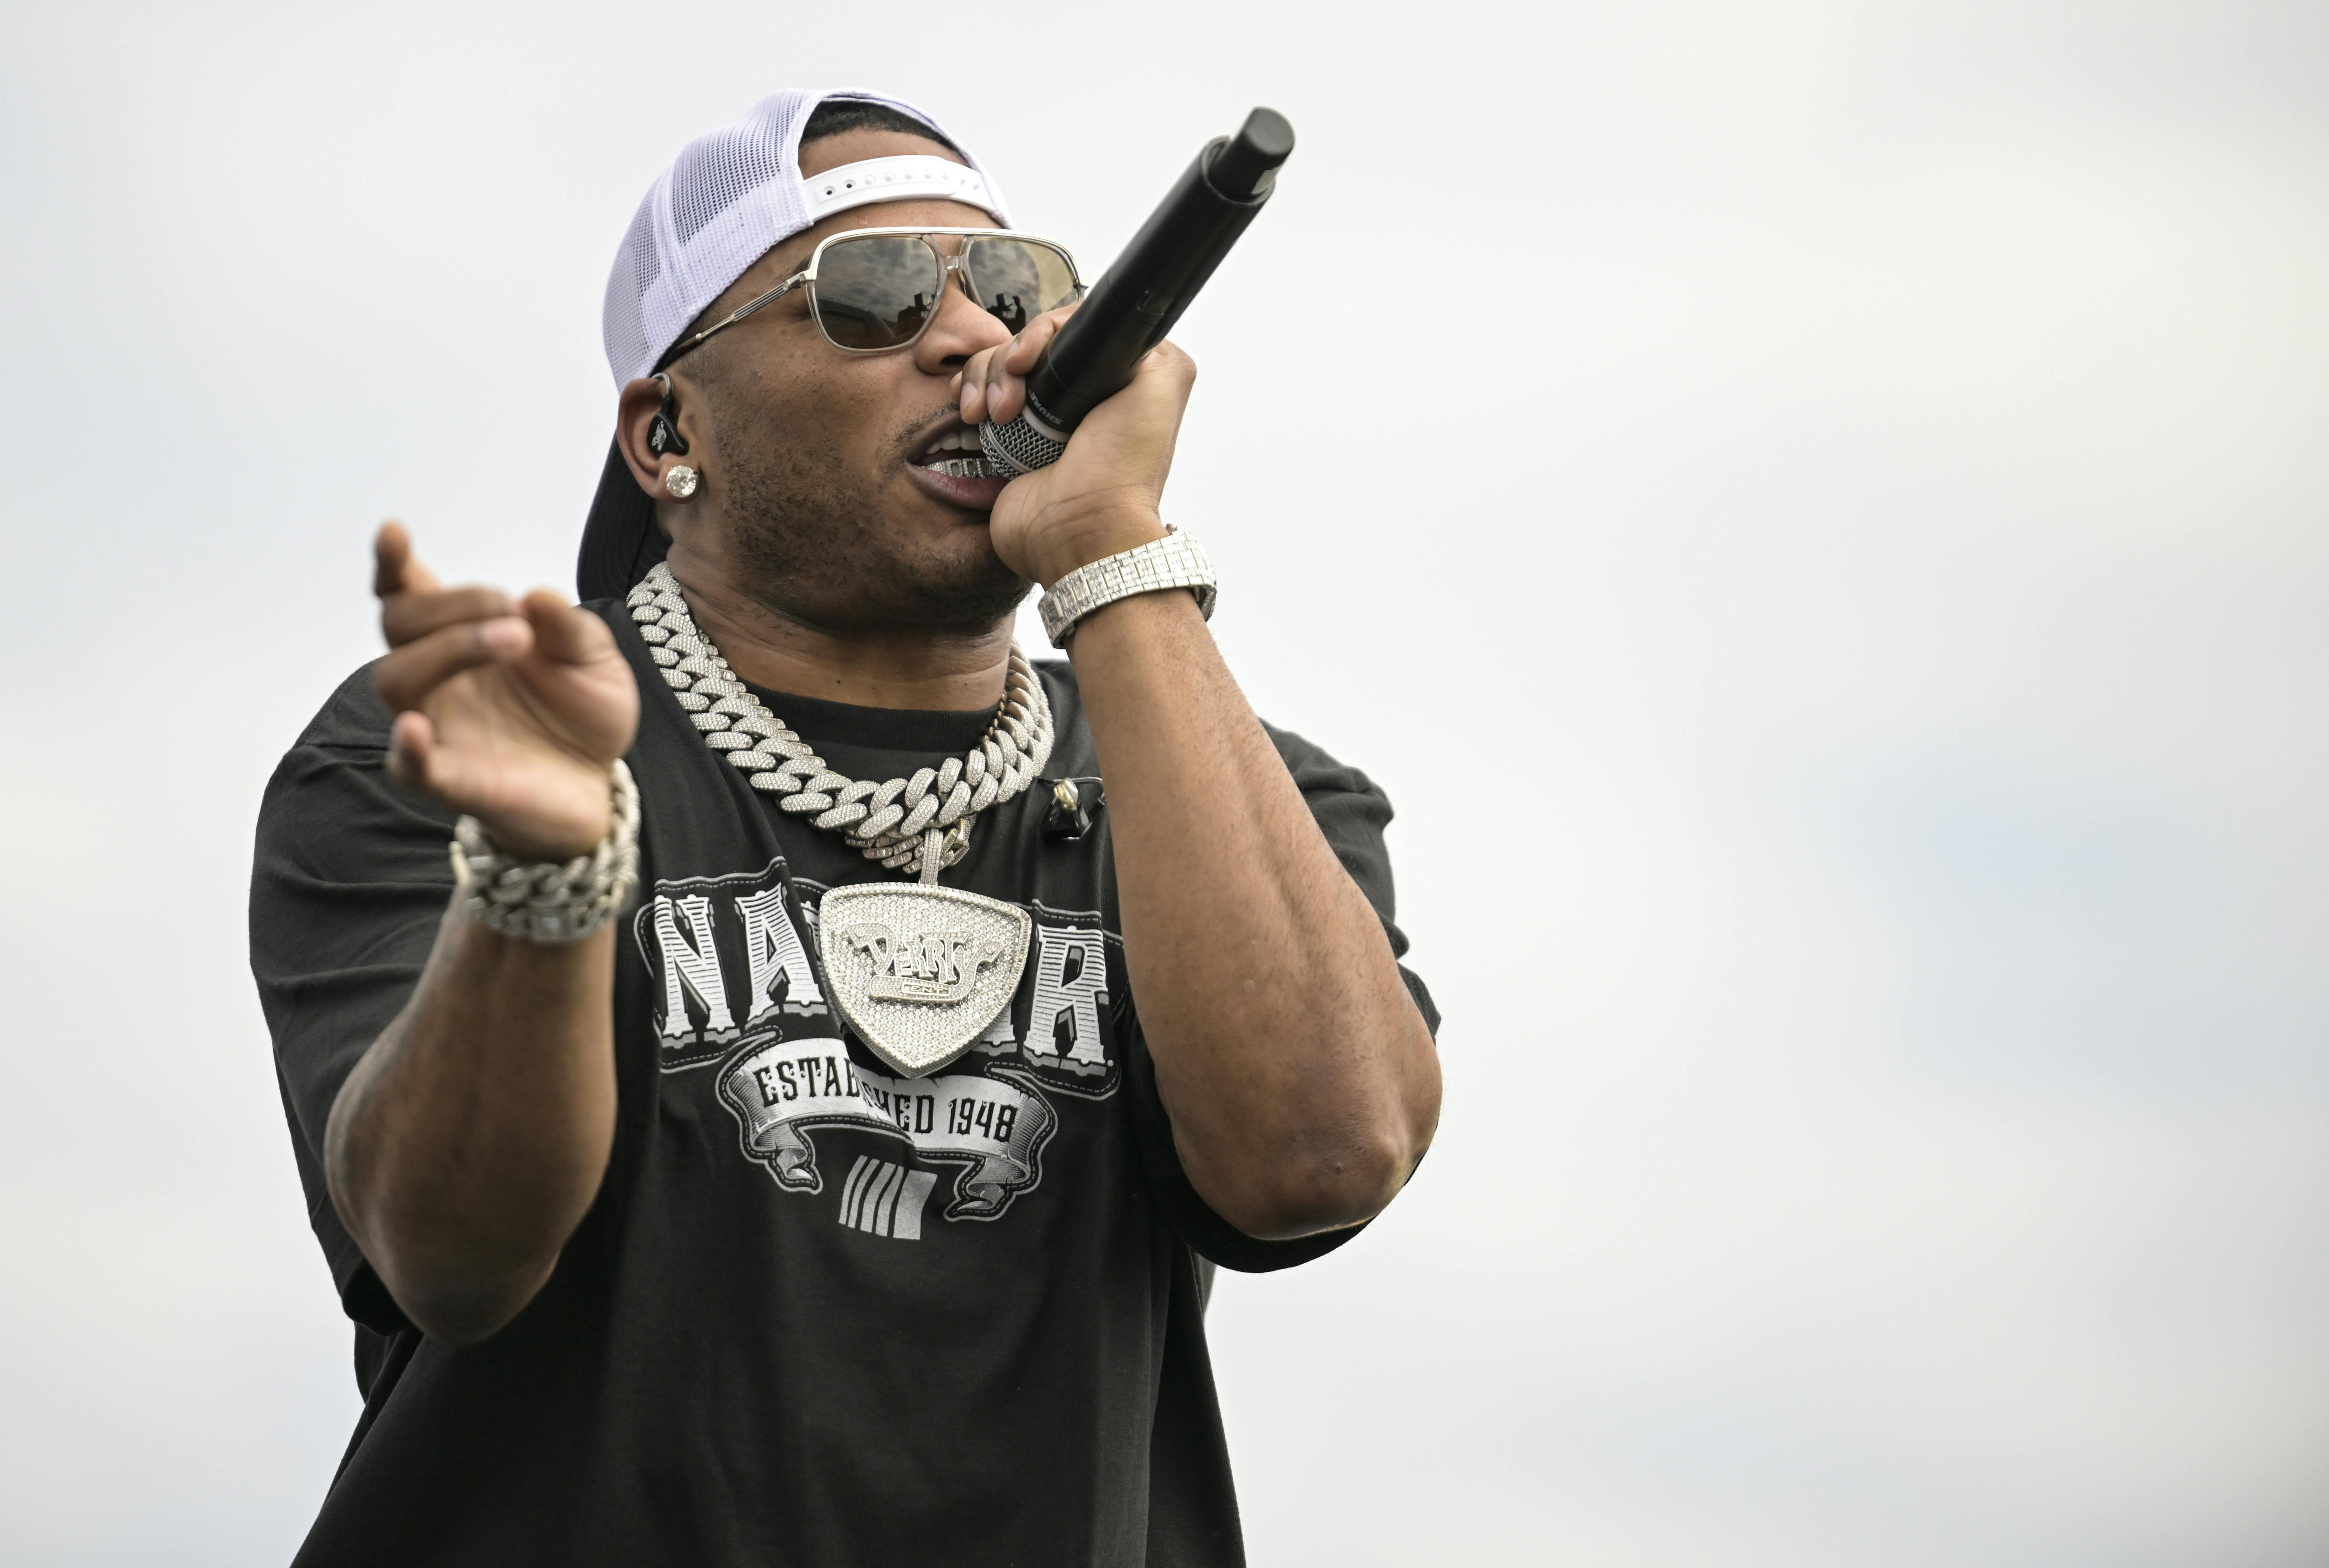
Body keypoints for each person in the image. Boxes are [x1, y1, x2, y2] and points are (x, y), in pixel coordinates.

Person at [250, 87, 1441, 1567]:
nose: (967, 341)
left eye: (1011, 290)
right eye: (869, 299)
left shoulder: (1227, 782)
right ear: (667, 429)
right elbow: (451, 1252)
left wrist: (1111, 555)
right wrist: (541, 893)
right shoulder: (469, 745)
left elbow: (1321, 1159)